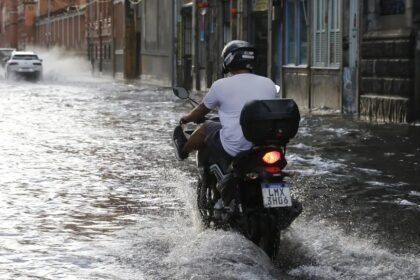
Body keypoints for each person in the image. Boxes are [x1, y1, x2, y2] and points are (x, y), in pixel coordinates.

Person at [173, 40, 278, 161]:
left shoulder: (220, 85)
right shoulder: (269, 83)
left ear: (228, 61)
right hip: (263, 144)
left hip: (234, 148)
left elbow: (201, 110)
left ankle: (183, 151)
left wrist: (185, 119)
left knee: (206, 127)